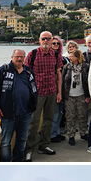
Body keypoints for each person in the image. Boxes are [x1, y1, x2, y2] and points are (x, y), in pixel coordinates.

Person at [0, 49, 38, 162]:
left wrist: (32, 106)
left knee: (22, 140)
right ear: (12, 57)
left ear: (24, 58)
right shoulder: (3, 71)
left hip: (25, 114)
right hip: (8, 113)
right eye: (17, 57)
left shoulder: (28, 72)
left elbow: (33, 90)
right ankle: (5, 164)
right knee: (5, 142)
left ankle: (17, 161)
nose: (19, 59)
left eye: (21, 57)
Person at [24, 31, 63, 160]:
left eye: (48, 39)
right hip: (37, 94)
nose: (46, 41)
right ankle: (29, 149)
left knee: (48, 119)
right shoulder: (32, 54)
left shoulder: (56, 55)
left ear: (52, 40)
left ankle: (44, 145)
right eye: (43, 39)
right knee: (33, 121)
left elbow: (58, 74)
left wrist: (59, 92)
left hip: (51, 91)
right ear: (39, 40)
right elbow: (25, 75)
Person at [61, 49, 90, 145]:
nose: (69, 58)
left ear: (77, 57)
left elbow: (88, 82)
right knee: (70, 117)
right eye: (69, 56)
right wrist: (62, 95)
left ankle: (83, 133)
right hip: (69, 96)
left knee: (82, 116)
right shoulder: (66, 67)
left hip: (81, 95)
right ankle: (71, 135)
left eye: (71, 56)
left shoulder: (85, 67)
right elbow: (62, 82)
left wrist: (88, 95)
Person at [50, 36, 69, 143]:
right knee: (55, 112)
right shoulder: (49, 57)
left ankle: (56, 132)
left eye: (58, 44)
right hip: (54, 88)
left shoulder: (62, 58)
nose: (56, 45)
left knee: (60, 112)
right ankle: (52, 134)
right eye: (54, 43)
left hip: (62, 88)